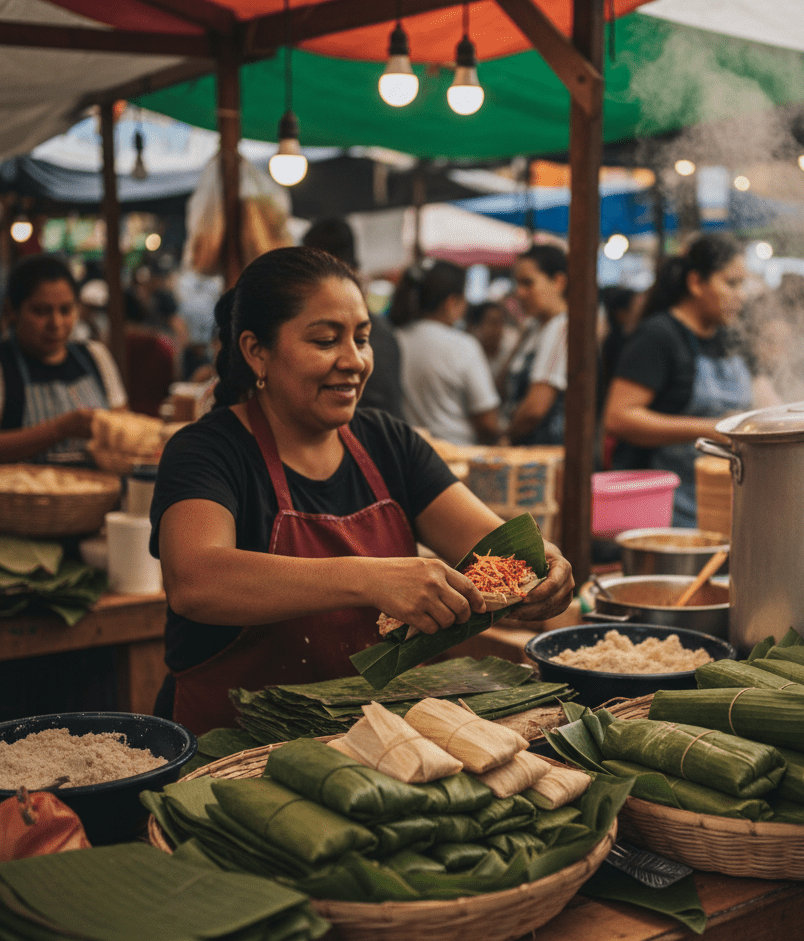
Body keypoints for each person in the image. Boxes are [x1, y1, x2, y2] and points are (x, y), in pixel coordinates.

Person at [150, 247, 572, 734]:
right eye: (326, 340)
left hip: (371, 741)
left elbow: (490, 545)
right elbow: (195, 581)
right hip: (235, 747)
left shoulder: (388, 442)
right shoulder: (207, 450)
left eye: (363, 339)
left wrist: (543, 566)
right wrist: (370, 579)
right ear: (255, 351)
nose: (353, 361)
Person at [603, 234, 752, 528]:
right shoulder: (659, 337)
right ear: (696, 283)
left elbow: (766, 397)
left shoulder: (731, 338)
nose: (741, 295)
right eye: (731, 283)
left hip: (723, 509)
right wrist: (710, 428)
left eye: (742, 285)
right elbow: (618, 418)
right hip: (666, 515)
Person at [0, 253, 127, 464]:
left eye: (66, 310)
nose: (56, 323)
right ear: (12, 310)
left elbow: (122, 427)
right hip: (22, 495)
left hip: (97, 493)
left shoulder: (95, 355)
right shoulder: (4, 365)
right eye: (41, 311)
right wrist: (60, 429)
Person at [302, 217, 404, 418]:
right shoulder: (379, 329)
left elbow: (381, 411)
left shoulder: (378, 335)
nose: (354, 363)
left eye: (360, 340)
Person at [391, 260, 501, 445]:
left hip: (408, 454)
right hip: (457, 455)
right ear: (452, 302)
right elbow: (488, 422)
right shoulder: (462, 345)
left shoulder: (395, 339)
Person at [503, 245, 569, 446]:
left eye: (528, 283)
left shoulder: (563, 327)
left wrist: (505, 438)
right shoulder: (536, 327)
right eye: (516, 284)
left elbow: (535, 408)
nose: (519, 293)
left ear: (558, 282)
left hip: (543, 450)